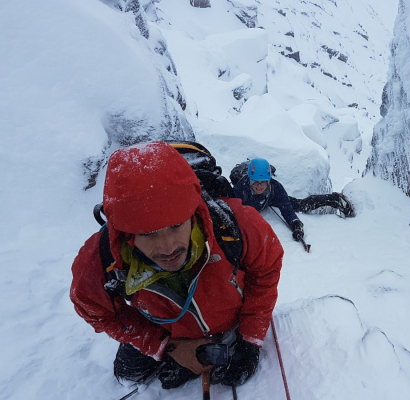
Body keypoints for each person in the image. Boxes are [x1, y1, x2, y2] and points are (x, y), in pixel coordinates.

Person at [70, 142, 283, 391]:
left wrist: (250, 339)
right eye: (147, 233)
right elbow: (92, 308)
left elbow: (266, 271)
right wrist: (166, 346)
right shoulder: (100, 259)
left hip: (230, 323)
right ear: (125, 233)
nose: (168, 247)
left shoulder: (239, 226)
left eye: (176, 225)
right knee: (128, 374)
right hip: (164, 329)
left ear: (195, 213)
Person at [232, 158, 355, 243]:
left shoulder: (275, 188)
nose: (259, 186)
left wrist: (295, 224)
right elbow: (234, 211)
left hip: (270, 199)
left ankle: (333, 199)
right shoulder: (240, 189)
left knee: (301, 205)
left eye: (263, 182)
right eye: (255, 182)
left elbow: (287, 209)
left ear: (269, 181)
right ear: (249, 180)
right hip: (256, 200)